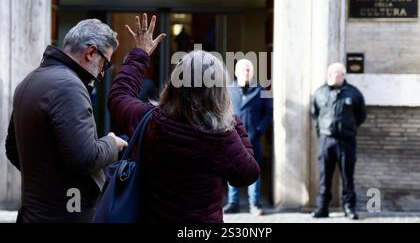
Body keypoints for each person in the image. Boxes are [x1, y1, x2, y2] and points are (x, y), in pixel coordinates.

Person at [108, 13, 260, 223]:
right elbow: (248, 173)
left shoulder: (149, 120)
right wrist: (230, 119)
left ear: (174, 85)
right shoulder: (222, 138)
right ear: (218, 93)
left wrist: (140, 53)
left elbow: (118, 96)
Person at [5, 19, 128, 223]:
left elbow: (12, 149)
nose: (103, 72)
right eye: (105, 63)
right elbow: (85, 158)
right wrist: (112, 143)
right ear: (90, 53)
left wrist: (48, 179)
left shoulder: (30, 80)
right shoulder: (69, 86)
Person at [311, 62, 367, 220]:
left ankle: (349, 207)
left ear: (343, 75)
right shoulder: (320, 92)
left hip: (346, 141)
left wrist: (348, 128)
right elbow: (315, 113)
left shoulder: (353, 93)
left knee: (347, 176)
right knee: (324, 176)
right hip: (326, 140)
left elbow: (361, 115)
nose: (331, 77)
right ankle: (322, 208)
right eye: (329, 74)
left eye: (335, 74)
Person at [223, 59, 273, 216]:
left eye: (249, 70)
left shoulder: (261, 90)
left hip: (253, 138)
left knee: (254, 170)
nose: (246, 72)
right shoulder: (228, 90)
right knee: (232, 169)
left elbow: (268, 113)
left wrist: (259, 130)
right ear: (236, 73)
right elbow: (221, 111)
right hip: (232, 138)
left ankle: (254, 203)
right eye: (243, 70)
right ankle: (233, 203)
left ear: (253, 73)